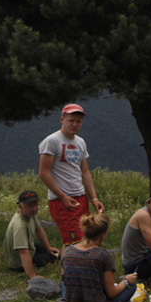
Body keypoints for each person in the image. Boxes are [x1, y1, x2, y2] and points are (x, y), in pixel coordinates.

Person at [38, 103, 104, 246]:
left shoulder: (80, 142)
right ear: (62, 119)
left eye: (78, 122)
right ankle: (71, 268)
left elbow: (85, 172)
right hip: (62, 201)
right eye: (71, 120)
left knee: (85, 238)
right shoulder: (52, 141)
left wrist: (93, 198)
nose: (75, 124)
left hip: (80, 198)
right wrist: (63, 197)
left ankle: (70, 267)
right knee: (75, 242)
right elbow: (43, 173)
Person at [61, 212, 137, 302]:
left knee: (64, 281)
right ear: (103, 234)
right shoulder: (103, 256)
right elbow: (111, 293)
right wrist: (126, 281)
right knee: (132, 286)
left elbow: (66, 279)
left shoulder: (68, 251)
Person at [3, 189, 60, 278]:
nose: (34, 208)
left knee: (51, 251)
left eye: (36, 205)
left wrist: (48, 247)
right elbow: (23, 252)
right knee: (50, 258)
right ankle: (28, 267)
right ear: (21, 206)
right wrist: (32, 275)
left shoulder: (29, 215)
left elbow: (38, 229)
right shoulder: (19, 226)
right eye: (30, 206)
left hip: (29, 246)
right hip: (19, 262)